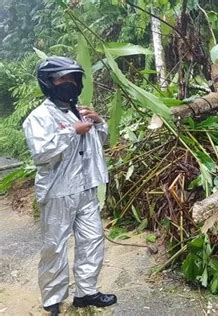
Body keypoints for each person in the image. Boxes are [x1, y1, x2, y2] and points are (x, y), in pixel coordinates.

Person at [22, 56, 117, 315]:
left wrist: (98, 122)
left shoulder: (80, 110)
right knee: (55, 245)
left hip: (86, 188)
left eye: (73, 78)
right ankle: (53, 299)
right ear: (48, 83)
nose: (69, 83)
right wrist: (71, 131)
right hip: (57, 192)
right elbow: (41, 154)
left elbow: (99, 142)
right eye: (62, 78)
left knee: (92, 240)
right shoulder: (38, 117)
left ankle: (86, 293)